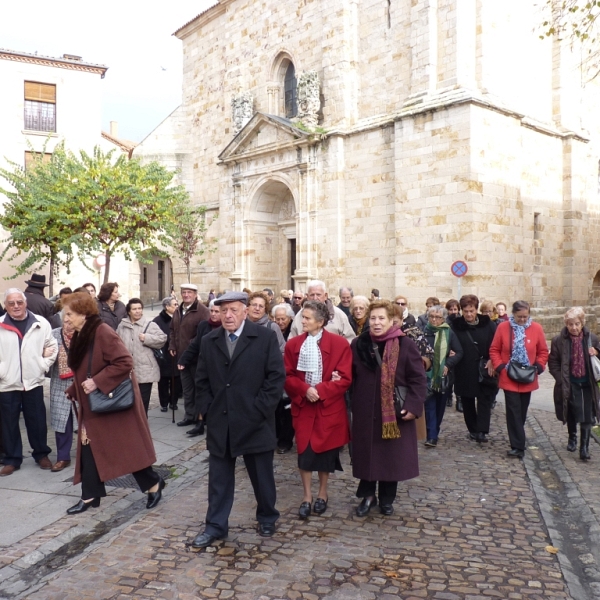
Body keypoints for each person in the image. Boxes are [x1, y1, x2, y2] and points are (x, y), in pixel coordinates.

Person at [192, 291, 286, 548]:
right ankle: (215, 526)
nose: (228, 315)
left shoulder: (265, 337)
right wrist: (208, 409)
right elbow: (201, 380)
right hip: (221, 421)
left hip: (255, 420)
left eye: (233, 310)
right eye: (223, 311)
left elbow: (275, 378)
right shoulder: (210, 340)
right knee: (219, 479)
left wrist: (259, 410)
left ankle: (267, 515)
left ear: (245, 311)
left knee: (261, 476)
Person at [62, 292, 165, 513]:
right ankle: (90, 495)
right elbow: (88, 368)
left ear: (83, 314)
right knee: (89, 446)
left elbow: (124, 362)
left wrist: (97, 382)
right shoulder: (82, 334)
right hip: (95, 403)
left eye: (69, 314)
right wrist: (75, 389)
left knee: (127, 450)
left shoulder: (102, 332)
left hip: (113, 405)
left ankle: (153, 483)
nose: (66, 319)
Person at [350, 300, 427, 516]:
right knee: (367, 457)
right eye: (373, 318)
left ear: (391, 320)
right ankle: (367, 496)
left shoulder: (405, 345)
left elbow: (418, 380)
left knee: (390, 458)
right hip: (365, 411)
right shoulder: (358, 344)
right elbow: (350, 375)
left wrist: (413, 406)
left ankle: (386, 498)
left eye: (381, 318)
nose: (376, 322)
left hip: (394, 413)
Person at [284, 301, 352, 519]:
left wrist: (320, 391)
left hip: (328, 407)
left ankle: (323, 493)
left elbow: (344, 378)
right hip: (303, 407)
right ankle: (306, 496)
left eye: (307, 318)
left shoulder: (340, 344)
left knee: (325, 453)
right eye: (302, 317)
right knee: (305, 453)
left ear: (321, 322)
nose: (302, 321)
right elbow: (287, 375)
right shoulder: (293, 344)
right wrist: (304, 390)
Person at [0, 289, 58, 476]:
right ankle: (12, 459)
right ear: (5, 306)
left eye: (19, 302)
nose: (16, 306)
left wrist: (42, 364)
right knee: (8, 423)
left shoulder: (40, 323)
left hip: (33, 380)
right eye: (11, 303)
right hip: (7, 382)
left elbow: (52, 345)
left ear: (25, 303)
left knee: (38, 420)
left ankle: (41, 454)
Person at [489, 300, 549, 458]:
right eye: (519, 316)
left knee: (521, 412)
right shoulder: (503, 327)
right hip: (509, 375)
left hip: (528, 376)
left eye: (525, 316)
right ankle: (518, 446)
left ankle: (518, 436)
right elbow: (494, 349)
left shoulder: (536, 328)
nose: (523, 320)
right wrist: (500, 367)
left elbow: (543, 351)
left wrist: (539, 366)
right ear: (513, 314)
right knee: (513, 411)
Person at [549, 308, 600, 460]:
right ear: (566, 324)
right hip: (569, 383)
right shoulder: (558, 340)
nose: (574, 327)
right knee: (570, 412)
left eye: (577, 324)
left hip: (587, 383)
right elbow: (553, 363)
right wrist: (561, 379)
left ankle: (584, 448)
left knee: (587, 416)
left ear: (582, 323)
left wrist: (596, 351)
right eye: (570, 324)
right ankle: (572, 437)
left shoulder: (592, 338)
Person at [450, 295, 497, 443]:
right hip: (464, 368)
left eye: (471, 310)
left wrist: (492, 359)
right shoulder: (456, 326)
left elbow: (496, 343)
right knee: (467, 399)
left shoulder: (487, 324)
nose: (469, 314)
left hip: (484, 366)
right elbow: (450, 342)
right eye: (466, 311)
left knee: (484, 399)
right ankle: (473, 429)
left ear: (476, 309)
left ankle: (482, 430)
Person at [177, 299, 223, 436]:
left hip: (220, 368)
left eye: (217, 312)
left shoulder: (226, 327)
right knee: (201, 394)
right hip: (204, 365)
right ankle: (200, 423)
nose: (213, 314)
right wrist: (183, 359)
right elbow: (195, 344)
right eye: (212, 311)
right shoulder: (204, 325)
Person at [169, 283, 210, 431]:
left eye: (189, 292)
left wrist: (188, 350)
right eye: (184, 292)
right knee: (187, 388)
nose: (186, 295)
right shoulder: (178, 310)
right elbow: (173, 330)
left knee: (198, 388)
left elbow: (201, 335)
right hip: (181, 357)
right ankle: (189, 415)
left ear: (195, 294)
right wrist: (172, 345)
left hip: (196, 357)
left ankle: (200, 417)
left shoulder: (203, 311)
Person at [117, 298, 167, 415]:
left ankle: (142, 428)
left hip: (145, 370)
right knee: (129, 401)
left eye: (139, 308)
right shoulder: (122, 326)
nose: (138, 311)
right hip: (127, 370)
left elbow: (162, 338)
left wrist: (147, 338)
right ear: (129, 311)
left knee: (143, 403)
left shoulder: (150, 325)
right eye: (134, 309)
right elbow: (117, 343)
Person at [423, 305, 463, 447]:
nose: (434, 320)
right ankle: (431, 436)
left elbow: (459, 352)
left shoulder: (449, 333)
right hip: (427, 375)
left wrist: (447, 364)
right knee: (429, 406)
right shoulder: (423, 331)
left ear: (443, 318)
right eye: (431, 316)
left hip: (443, 378)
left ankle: (435, 430)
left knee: (440, 407)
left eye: (437, 317)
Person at [49, 320, 78, 471]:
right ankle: (62, 457)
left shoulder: (84, 334)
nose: (69, 324)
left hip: (81, 383)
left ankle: (88, 455)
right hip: (60, 385)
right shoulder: (53, 335)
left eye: (71, 319)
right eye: (66, 320)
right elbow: (46, 360)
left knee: (85, 422)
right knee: (62, 423)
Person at [289, 280, 355, 342]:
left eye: (318, 295)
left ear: (325, 296)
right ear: (307, 297)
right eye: (312, 295)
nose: (315, 298)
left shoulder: (339, 315)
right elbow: (292, 341)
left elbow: (349, 339)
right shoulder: (299, 316)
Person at [272, 303, 296, 453]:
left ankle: (285, 441)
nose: (280, 322)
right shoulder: (272, 330)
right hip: (276, 375)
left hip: (290, 374)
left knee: (288, 408)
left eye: (283, 319)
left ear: (290, 318)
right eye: (277, 319)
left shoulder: (293, 332)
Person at [153, 297, 182, 412]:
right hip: (164, 354)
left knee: (176, 379)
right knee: (164, 380)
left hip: (177, 353)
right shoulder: (157, 321)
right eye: (175, 304)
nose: (177, 306)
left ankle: (173, 401)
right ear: (167, 307)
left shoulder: (180, 318)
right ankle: (164, 403)